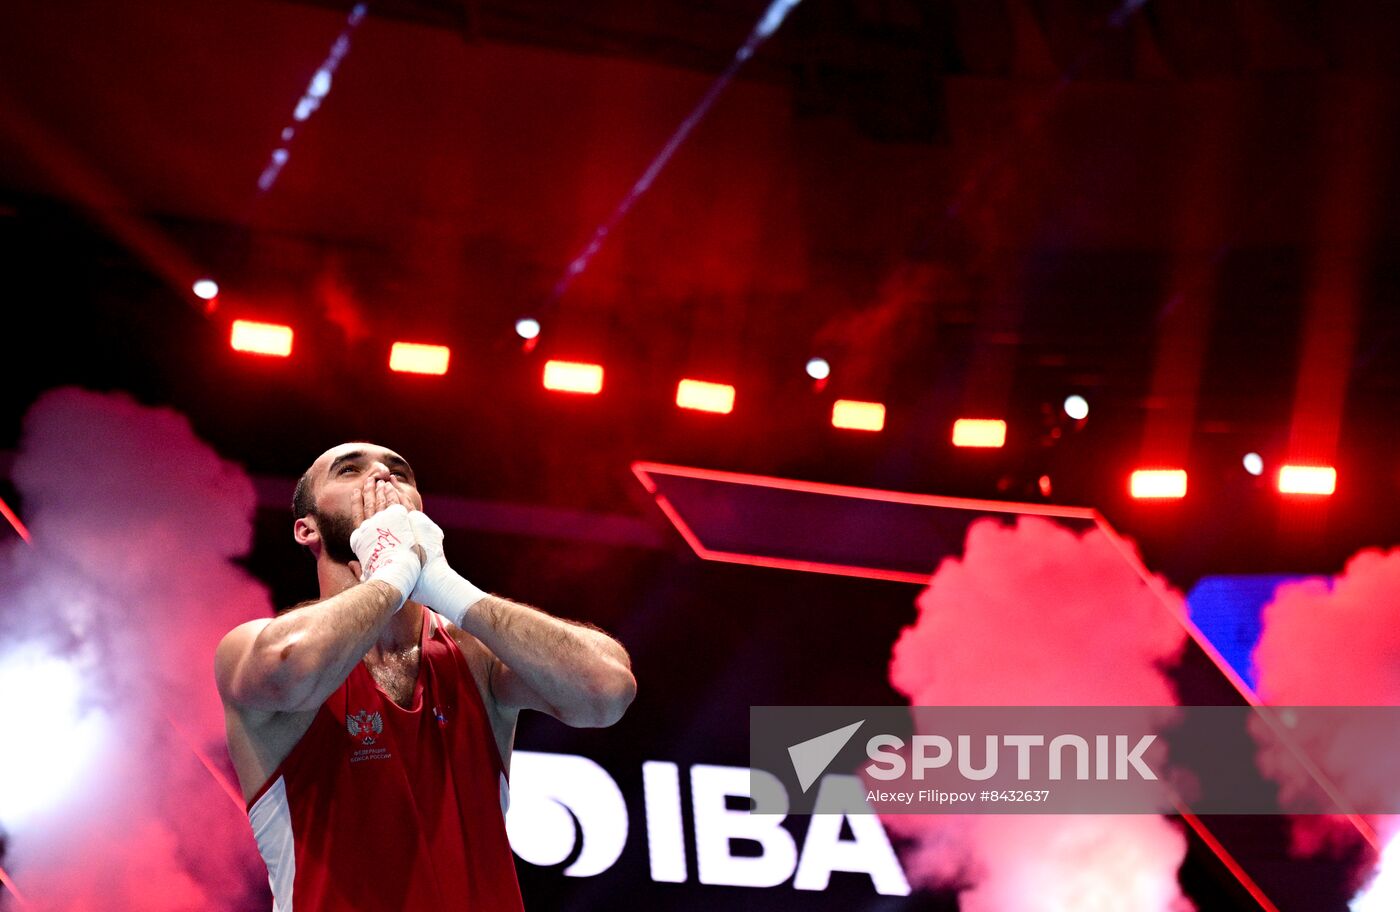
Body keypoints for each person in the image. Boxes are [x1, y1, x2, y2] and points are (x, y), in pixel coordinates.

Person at [215, 442, 637, 910]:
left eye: (400, 472)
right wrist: (391, 577)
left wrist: (446, 585)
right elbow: (288, 668)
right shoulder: (252, 646)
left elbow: (607, 691)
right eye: (350, 470)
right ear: (306, 528)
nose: (381, 477)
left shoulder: (474, 653)